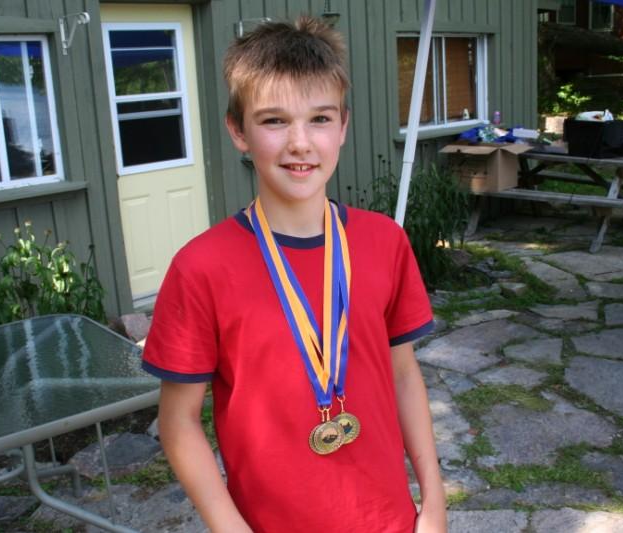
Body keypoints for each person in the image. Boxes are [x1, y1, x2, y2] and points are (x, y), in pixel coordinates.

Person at [141, 16, 447, 533]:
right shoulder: (201, 267)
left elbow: (403, 375)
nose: (300, 143)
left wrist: (434, 503)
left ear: (343, 126)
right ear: (238, 131)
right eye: (274, 121)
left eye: (320, 119)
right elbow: (178, 422)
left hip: (388, 519)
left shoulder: (384, 242)